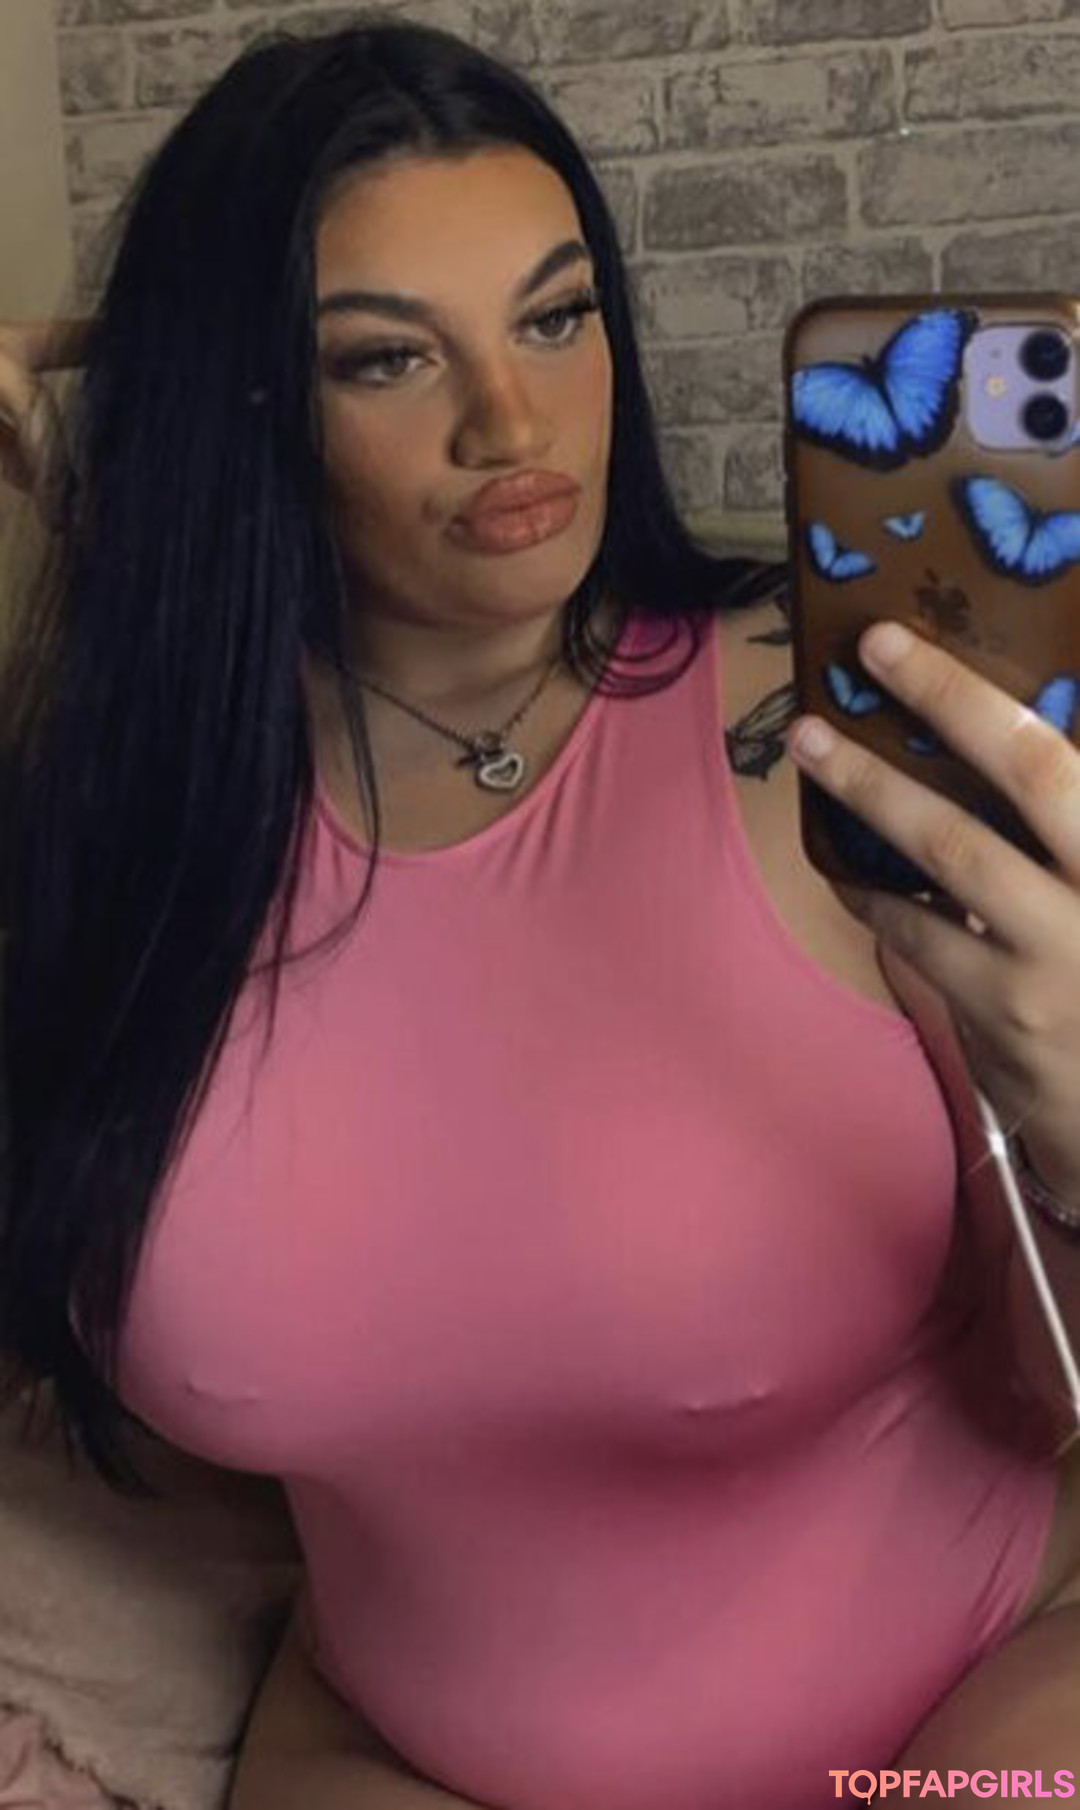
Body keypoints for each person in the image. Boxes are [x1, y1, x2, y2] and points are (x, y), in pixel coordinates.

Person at [2, 18, 1080, 1809]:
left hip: (977, 1709)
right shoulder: (143, 813)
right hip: (394, 1746)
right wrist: (128, 472)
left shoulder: (829, 727)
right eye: (384, 357)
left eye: (557, 318)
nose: (511, 424)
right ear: (244, 404)